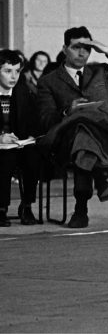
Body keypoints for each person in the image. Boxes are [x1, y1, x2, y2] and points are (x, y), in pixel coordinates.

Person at [37, 26, 108, 228]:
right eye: (76, 47)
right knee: (81, 130)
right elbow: (45, 119)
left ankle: (82, 209)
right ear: (64, 48)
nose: (82, 52)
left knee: (83, 134)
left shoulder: (101, 72)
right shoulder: (48, 81)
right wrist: (68, 111)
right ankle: (99, 183)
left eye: (87, 47)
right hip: (67, 141)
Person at [0, 49, 41, 227]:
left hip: (18, 144)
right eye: (8, 71)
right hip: (1, 147)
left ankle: (26, 206)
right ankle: (1, 208)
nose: (14, 76)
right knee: (5, 159)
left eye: (17, 71)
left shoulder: (23, 93)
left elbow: (33, 120)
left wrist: (30, 137)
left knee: (33, 157)